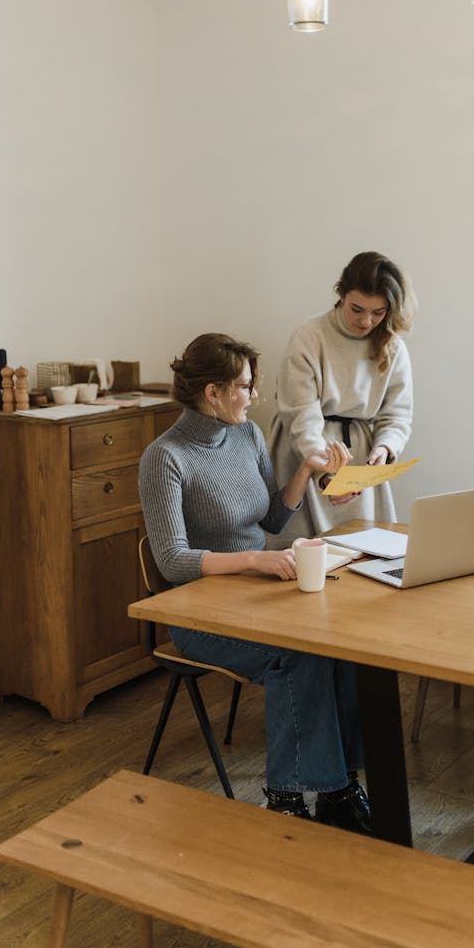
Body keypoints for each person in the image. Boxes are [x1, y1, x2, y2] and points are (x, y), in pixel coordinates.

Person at [138, 332, 370, 832]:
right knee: (297, 653)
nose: (254, 396)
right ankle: (289, 798)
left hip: (252, 594)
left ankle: (339, 786)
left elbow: (270, 520)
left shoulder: (245, 436)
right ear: (213, 393)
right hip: (195, 615)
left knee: (344, 644)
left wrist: (306, 471)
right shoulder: (164, 458)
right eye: (245, 386)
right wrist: (252, 562)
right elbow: (174, 561)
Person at [267, 250, 415, 544]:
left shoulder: (392, 346)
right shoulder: (309, 336)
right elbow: (301, 417)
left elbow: (397, 415)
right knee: (299, 556)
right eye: (357, 309)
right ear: (341, 295)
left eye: (378, 312)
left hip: (360, 457)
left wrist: (385, 448)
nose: (366, 321)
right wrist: (328, 477)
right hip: (305, 449)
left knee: (365, 552)